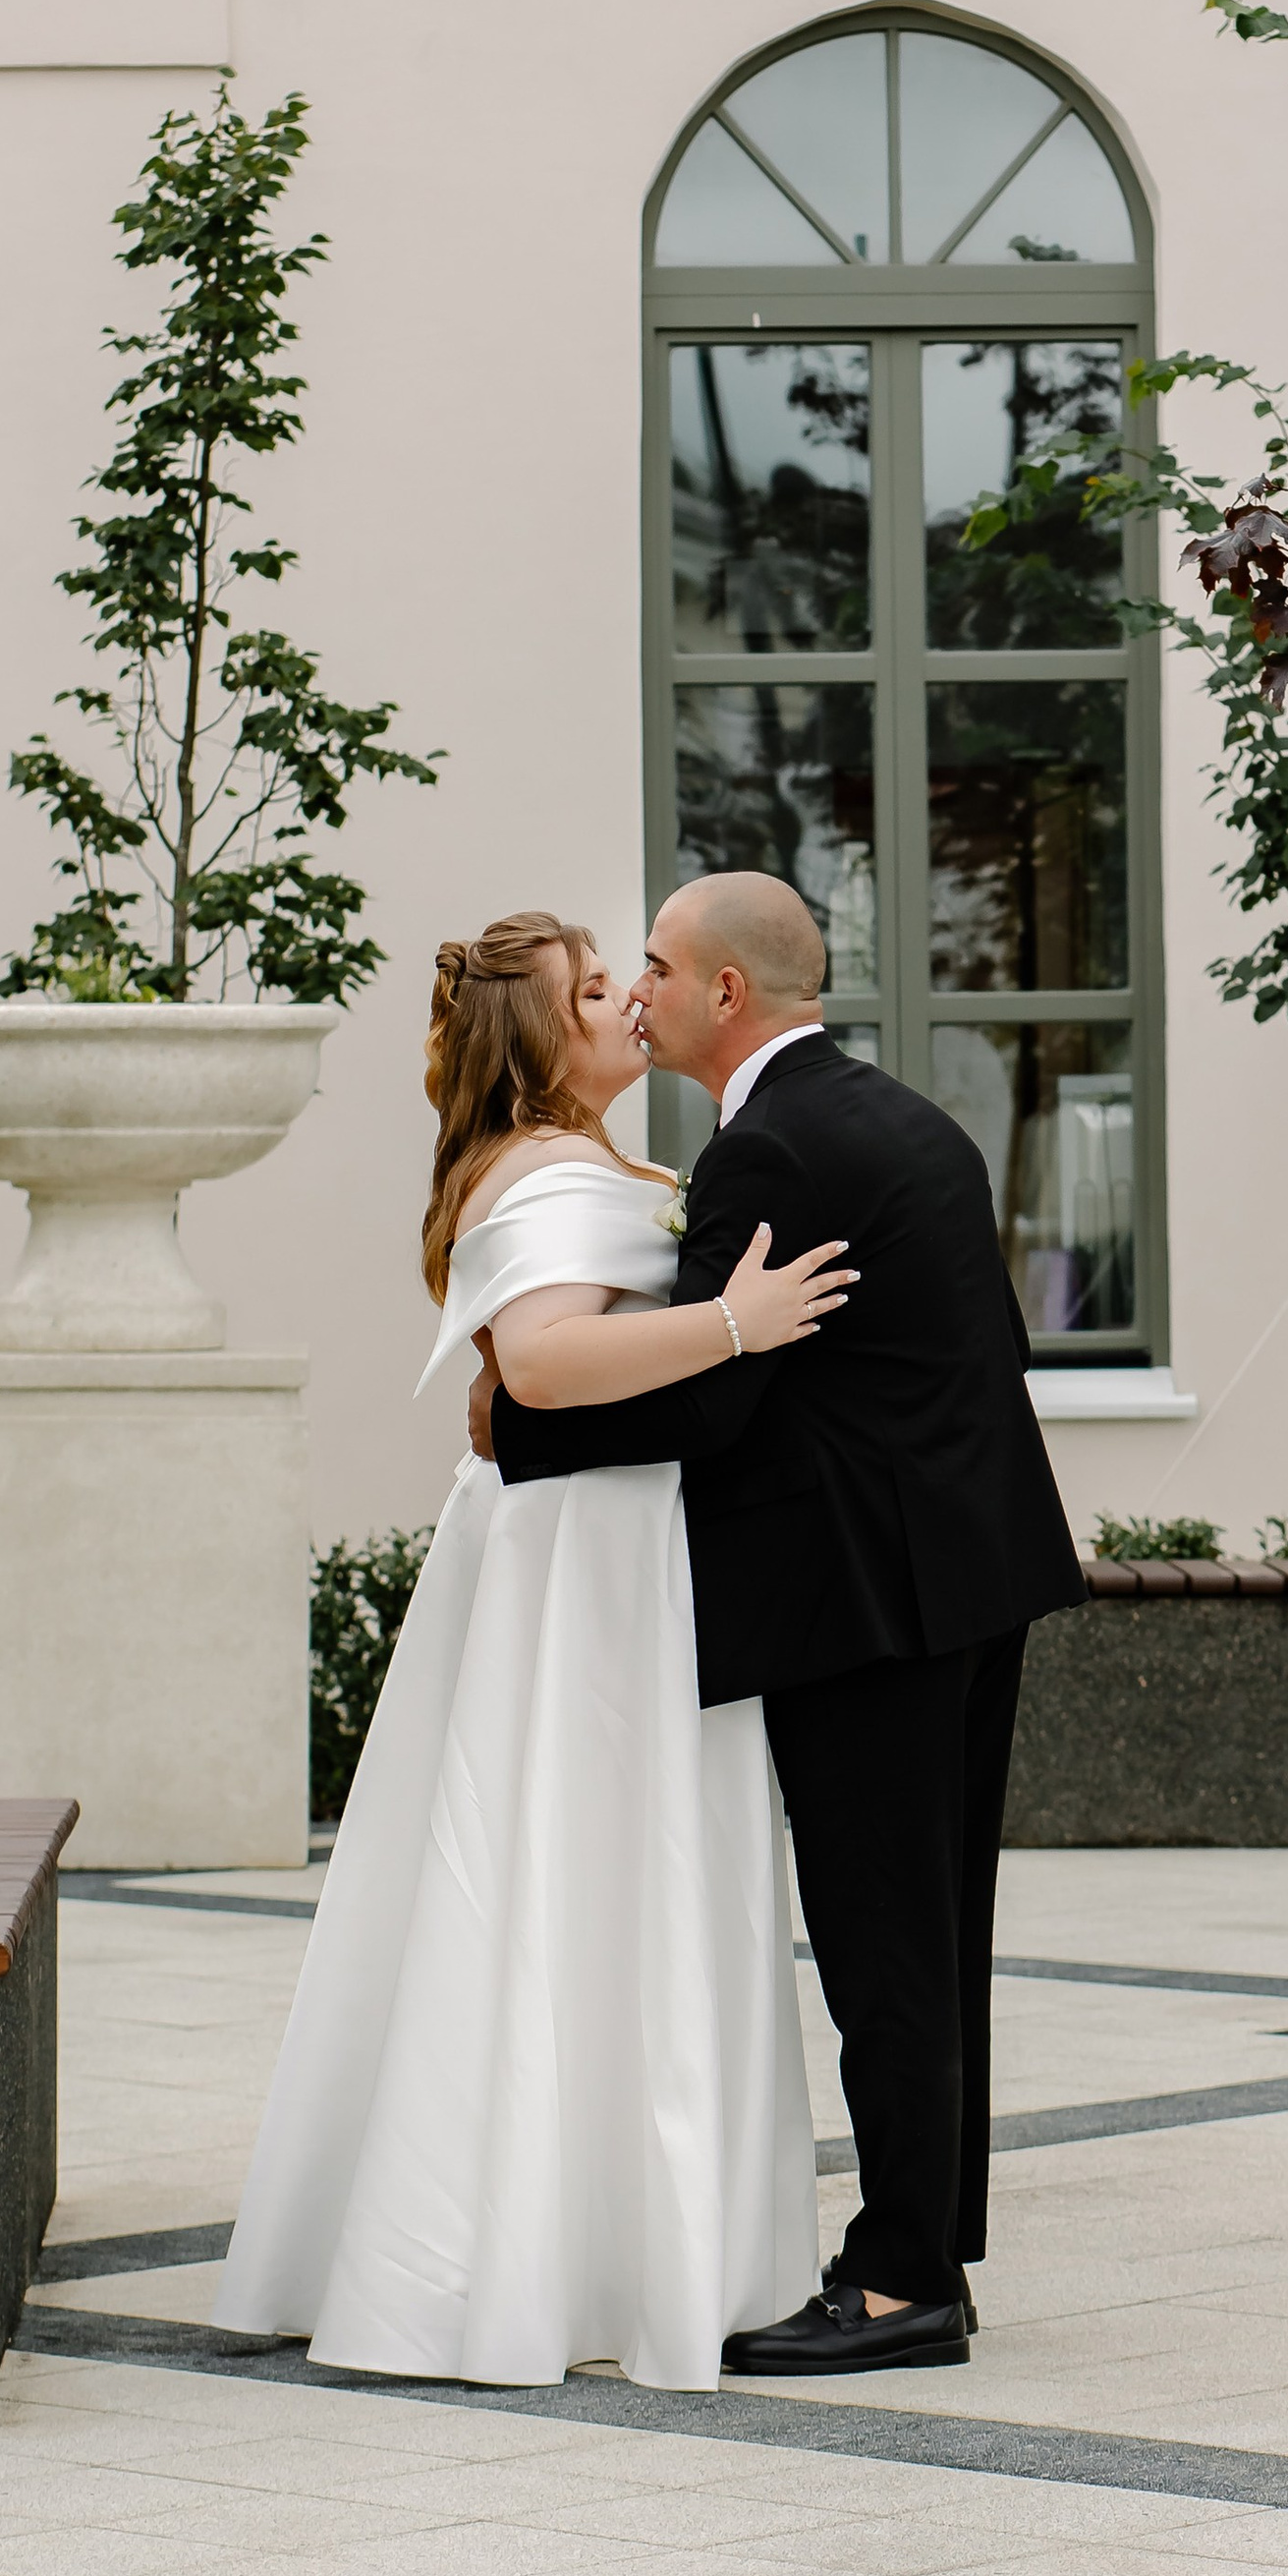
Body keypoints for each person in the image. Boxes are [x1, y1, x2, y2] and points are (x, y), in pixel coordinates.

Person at [209, 909, 849, 2388]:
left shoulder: (557, 1162)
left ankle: (581, 2238)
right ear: (544, 1038)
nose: (629, 998)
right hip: (591, 1562)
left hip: (598, 1545)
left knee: (573, 1879)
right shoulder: (550, 1170)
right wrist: (740, 1326)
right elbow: (548, 1363)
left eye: (627, 977)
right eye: (595, 990)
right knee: (579, 1872)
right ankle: (571, 2254)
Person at [475, 869, 1087, 2376]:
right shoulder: (898, 1118)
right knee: (936, 1931)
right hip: (974, 1570)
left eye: (658, 972)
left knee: (884, 1940)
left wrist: (511, 1422)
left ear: (723, 995)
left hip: (867, 1600)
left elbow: (719, 1390)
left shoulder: (770, 1152)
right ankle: (928, 2244)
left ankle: (898, 2283)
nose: (639, 997)